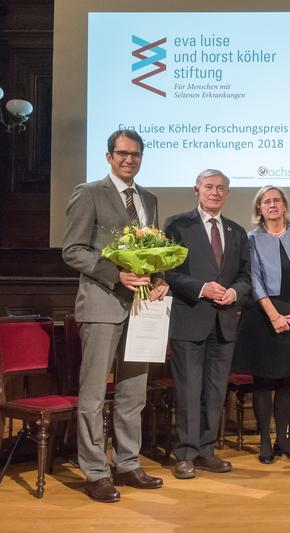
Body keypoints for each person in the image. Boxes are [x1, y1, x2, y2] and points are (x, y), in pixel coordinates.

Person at [62, 129, 169, 503]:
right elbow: (72, 250)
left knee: (133, 392)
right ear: (109, 157)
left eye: (135, 154)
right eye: (122, 153)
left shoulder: (150, 199)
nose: (129, 159)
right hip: (102, 304)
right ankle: (95, 471)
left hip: (142, 308)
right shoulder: (88, 193)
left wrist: (159, 279)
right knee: (93, 394)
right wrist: (115, 274)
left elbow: (153, 252)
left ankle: (127, 463)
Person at [163, 169, 251, 480]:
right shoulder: (177, 224)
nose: (215, 192)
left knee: (215, 392)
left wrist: (234, 292)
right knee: (188, 390)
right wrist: (202, 288)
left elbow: (245, 277)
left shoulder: (237, 231)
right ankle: (185, 453)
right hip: (189, 319)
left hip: (224, 323)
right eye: (209, 187)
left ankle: (206, 451)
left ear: (227, 194)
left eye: (221, 188)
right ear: (196, 190)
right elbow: (169, 273)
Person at [232, 186, 290, 463]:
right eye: (266, 202)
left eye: (276, 201)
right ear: (259, 208)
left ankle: (285, 441)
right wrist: (274, 316)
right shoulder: (251, 238)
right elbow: (254, 280)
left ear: (284, 205)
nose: (272, 205)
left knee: (288, 381)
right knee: (264, 381)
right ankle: (265, 443)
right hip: (263, 314)